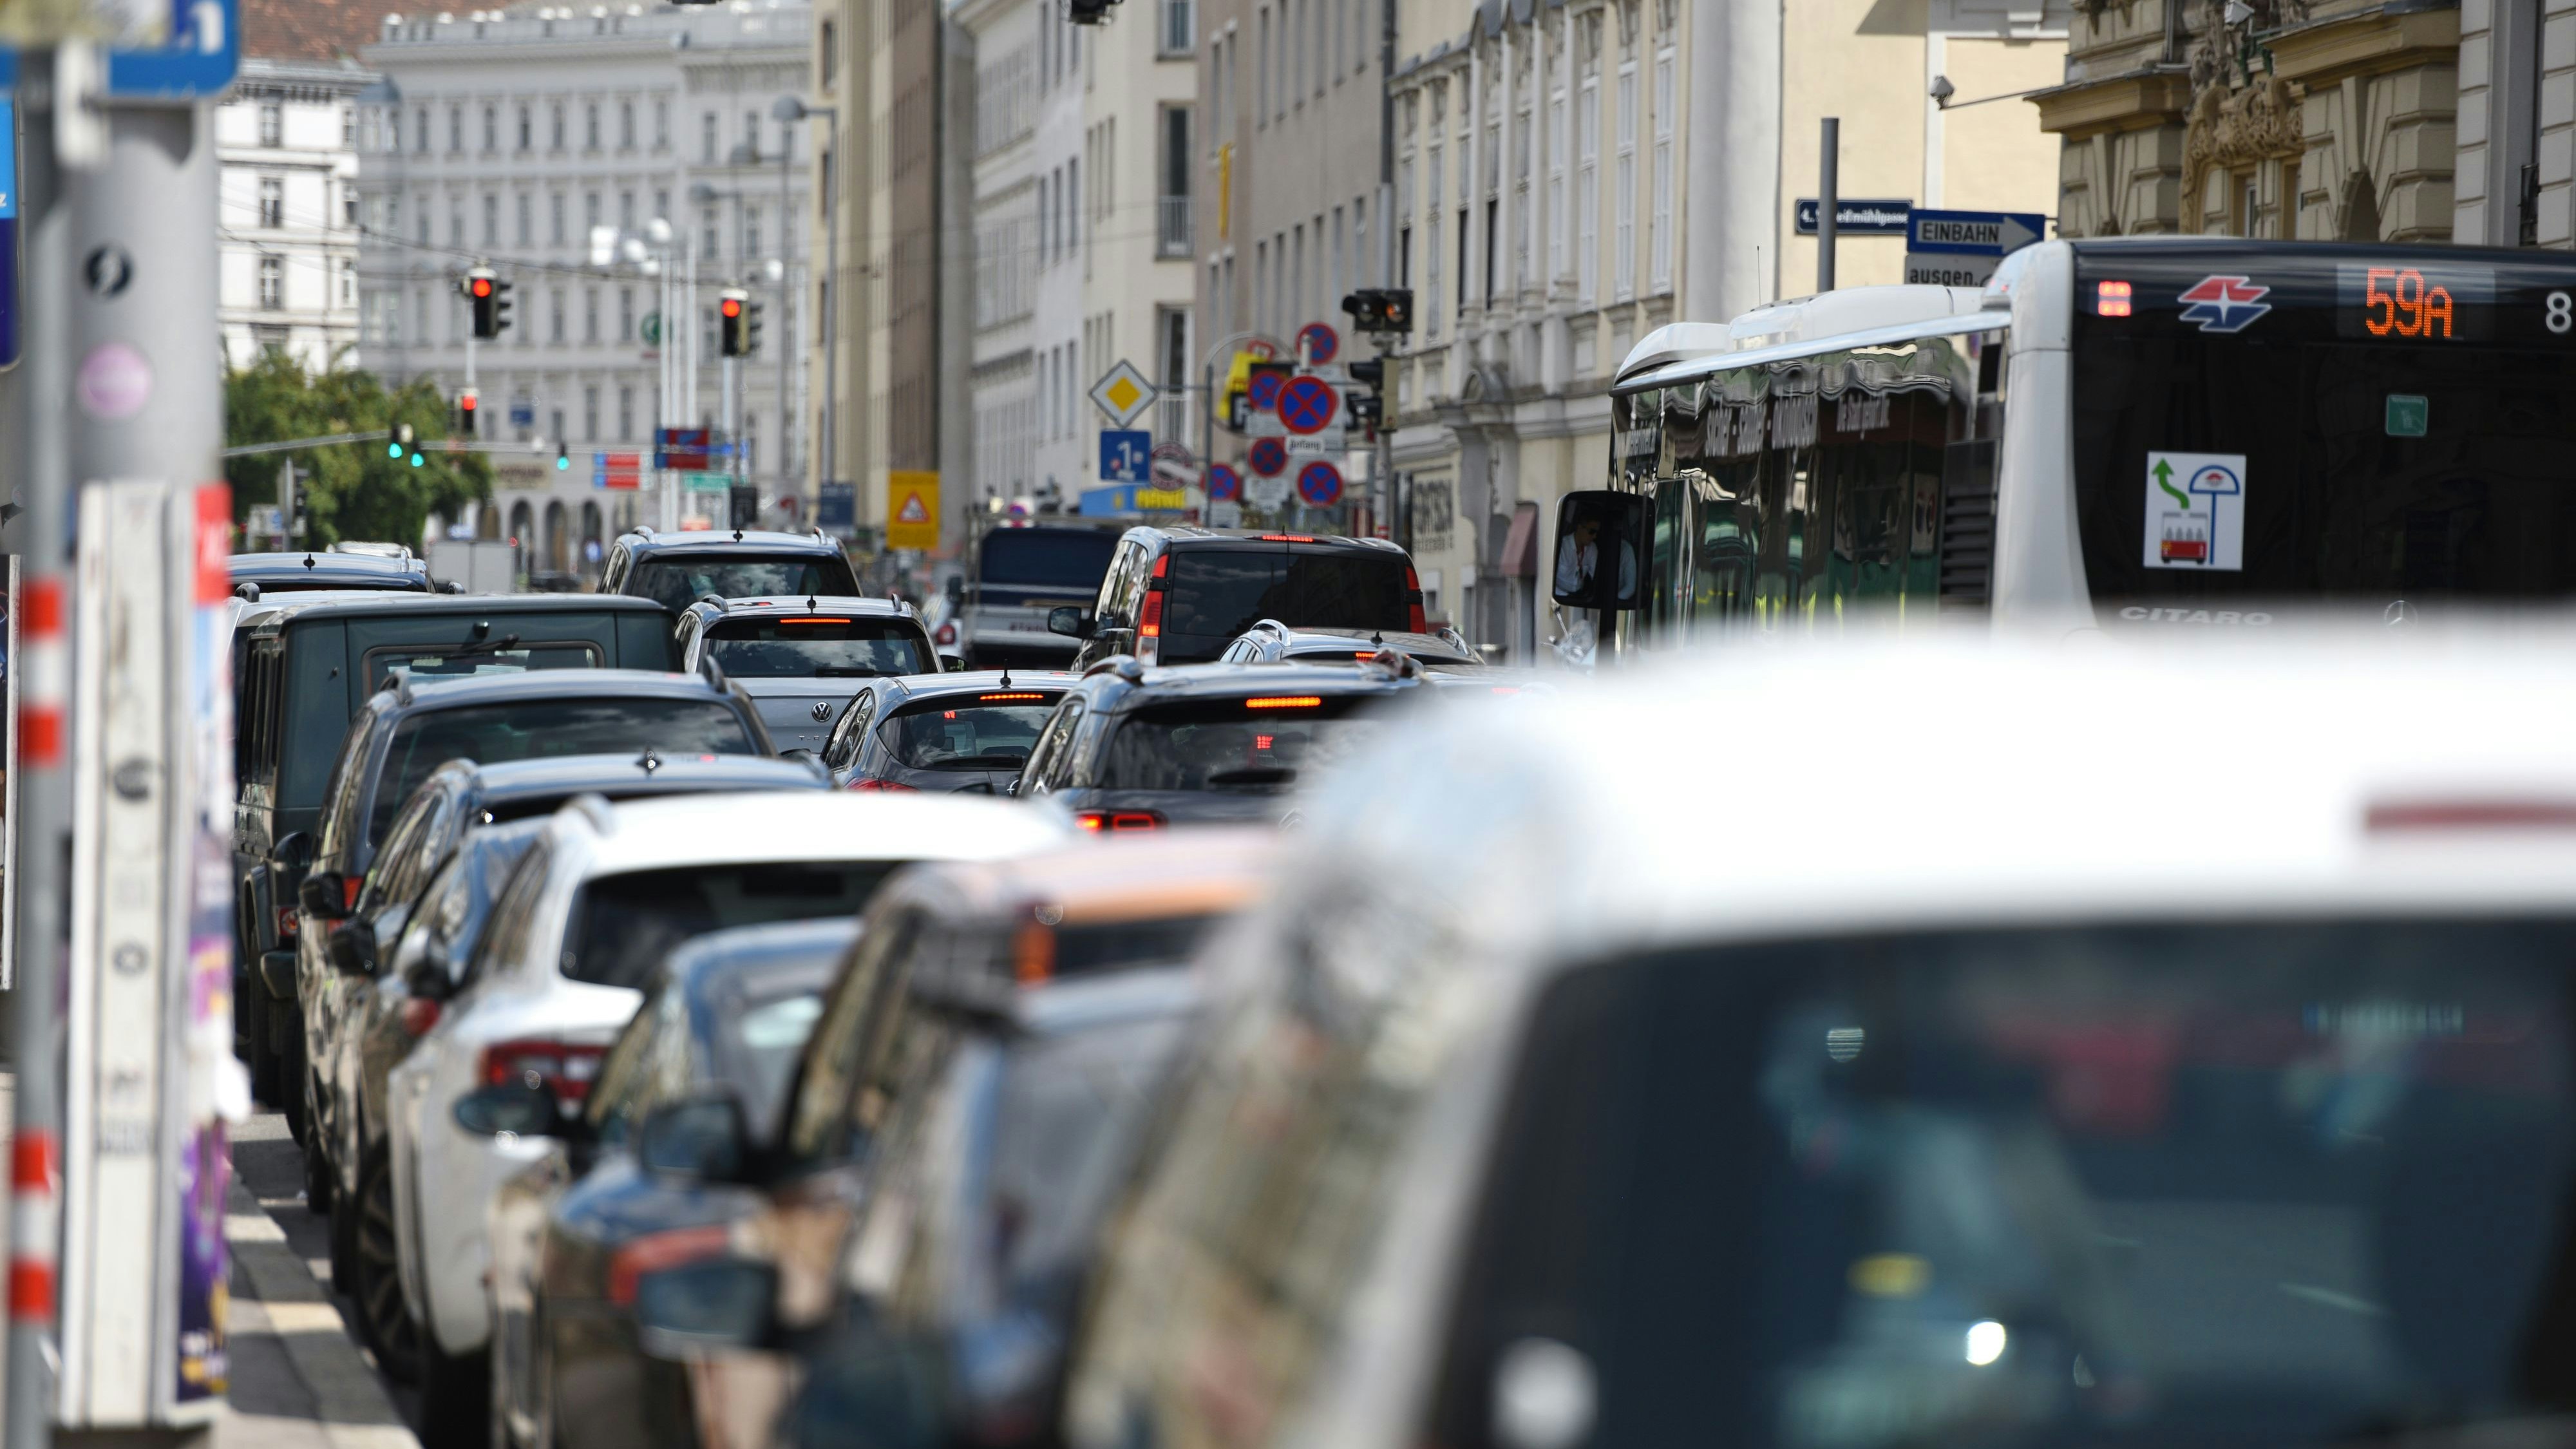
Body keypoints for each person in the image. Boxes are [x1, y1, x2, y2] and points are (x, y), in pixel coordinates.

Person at [1554, 511, 1636, 602]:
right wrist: (1565, 596)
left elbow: (1597, 578)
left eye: (1597, 532)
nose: (1595, 536)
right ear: (1579, 527)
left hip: (1580, 595)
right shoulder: (1561, 547)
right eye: (1592, 532)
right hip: (1560, 596)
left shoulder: (1592, 549)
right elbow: (1550, 581)